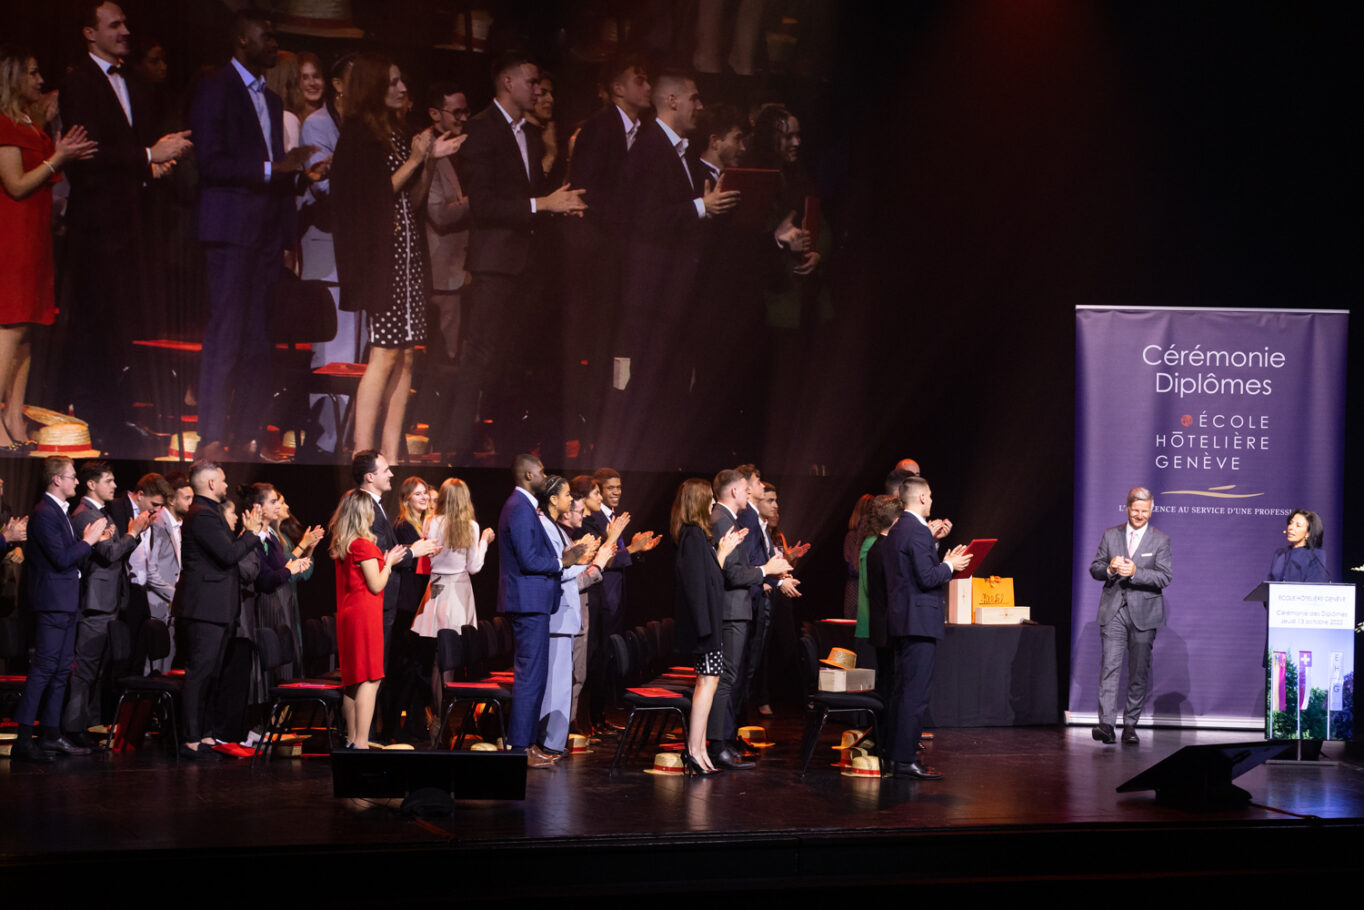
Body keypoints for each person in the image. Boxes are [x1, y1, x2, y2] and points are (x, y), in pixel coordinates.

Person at [441, 51, 586, 459]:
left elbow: (533, 196)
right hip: (495, 264)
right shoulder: (481, 130)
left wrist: (559, 206)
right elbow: (485, 205)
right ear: (508, 82)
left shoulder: (530, 134)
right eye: (532, 81)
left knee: (512, 361)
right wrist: (543, 204)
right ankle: (455, 451)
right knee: (479, 359)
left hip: (528, 268)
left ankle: (505, 451)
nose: (539, 89)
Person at [190, 7, 319, 458]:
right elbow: (209, 162)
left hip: (265, 238)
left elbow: (278, 172)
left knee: (260, 341)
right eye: (267, 35)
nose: (273, 42)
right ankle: (210, 435)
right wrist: (272, 167)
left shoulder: (272, 99)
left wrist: (300, 178)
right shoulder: (216, 89)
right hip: (229, 233)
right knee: (226, 335)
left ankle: (246, 433)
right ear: (242, 39)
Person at [332, 53, 461, 457]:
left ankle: (391, 451)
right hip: (382, 261)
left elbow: (413, 200)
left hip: (408, 256)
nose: (403, 89)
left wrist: (427, 163)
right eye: (392, 82)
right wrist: (415, 159)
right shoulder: (358, 136)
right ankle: (362, 451)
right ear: (373, 87)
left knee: (407, 355)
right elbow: (372, 199)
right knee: (385, 351)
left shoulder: (396, 133)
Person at [0, 47, 97, 450]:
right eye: (34, 73)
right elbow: (16, 184)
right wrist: (58, 158)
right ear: (13, 78)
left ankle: (13, 420)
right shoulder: (5, 124)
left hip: (36, 237)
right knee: (9, 329)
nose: (41, 81)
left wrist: (61, 153)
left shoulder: (28, 121)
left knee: (27, 336)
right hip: (13, 238)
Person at [10, 457, 107, 763]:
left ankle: (52, 736)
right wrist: (88, 541)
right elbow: (62, 559)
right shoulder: (44, 513)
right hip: (51, 603)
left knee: (62, 670)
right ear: (56, 480)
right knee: (43, 669)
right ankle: (24, 740)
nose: (76, 482)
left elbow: (68, 558)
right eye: (72, 477)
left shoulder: (58, 512)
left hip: (65, 602)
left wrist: (88, 543)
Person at [498, 454, 589, 768]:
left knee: (535, 677)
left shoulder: (523, 507)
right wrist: (563, 562)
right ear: (527, 474)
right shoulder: (519, 508)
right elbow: (528, 559)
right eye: (541, 471)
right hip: (527, 602)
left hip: (533, 601)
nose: (544, 474)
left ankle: (525, 745)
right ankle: (518, 748)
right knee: (529, 678)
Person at [62, 461, 158, 746]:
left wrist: (132, 534)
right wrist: (133, 533)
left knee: (98, 671)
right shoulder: (84, 515)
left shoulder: (100, 513)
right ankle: (74, 730)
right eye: (109, 481)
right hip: (95, 604)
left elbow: (115, 551)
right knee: (86, 671)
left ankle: (90, 726)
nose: (115, 486)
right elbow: (108, 553)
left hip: (108, 602)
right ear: (91, 484)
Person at [175, 461, 265, 761]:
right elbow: (228, 556)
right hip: (204, 608)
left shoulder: (210, 514)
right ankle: (189, 738)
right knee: (199, 674)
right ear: (211, 483)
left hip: (218, 608)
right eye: (223, 481)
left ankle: (204, 733)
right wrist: (251, 534)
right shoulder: (202, 516)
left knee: (212, 674)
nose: (227, 486)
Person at [884, 475, 971, 779]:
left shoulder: (898, 529)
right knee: (915, 693)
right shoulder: (916, 531)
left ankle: (895, 754)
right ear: (921, 498)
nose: (932, 501)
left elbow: (912, 568)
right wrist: (949, 566)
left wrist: (937, 551)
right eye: (930, 496)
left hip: (903, 619)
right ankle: (905, 758)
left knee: (903, 690)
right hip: (919, 621)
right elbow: (927, 578)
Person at [707, 468, 789, 769]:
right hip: (730, 610)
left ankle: (724, 740)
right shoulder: (723, 520)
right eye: (744, 489)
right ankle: (718, 745)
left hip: (737, 609)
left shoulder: (727, 519)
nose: (747, 494)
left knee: (730, 677)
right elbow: (731, 572)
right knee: (727, 678)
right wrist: (766, 570)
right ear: (733, 492)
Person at [672, 477, 745, 775]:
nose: (714, 503)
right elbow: (694, 587)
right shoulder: (692, 536)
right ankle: (694, 750)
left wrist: (723, 553)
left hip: (709, 625)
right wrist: (705, 629)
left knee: (711, 681)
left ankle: (699, 748)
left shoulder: (699, 536)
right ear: (698, 502)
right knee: (706, 682)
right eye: (709, 499)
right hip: (705, 627)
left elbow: (710, 578)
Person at [1088, 486, 1171, 746]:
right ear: (1127, 508)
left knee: (1138, 671)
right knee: (1110, 667)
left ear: (1151, 510)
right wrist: (1110, 568)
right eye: (1135, 510)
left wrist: (1135, 571)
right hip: (1113, 609)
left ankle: (1130, 725)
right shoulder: (1111, 535)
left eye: (1144, 511)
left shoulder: (1160, 540)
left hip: (1144, 613)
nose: (1139, 515)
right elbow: (1095, 568)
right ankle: (1106, 725)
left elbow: (1165, 576)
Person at [411, 477, 493, 733]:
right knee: (451, 658)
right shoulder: (470, 526)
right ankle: (444, 719)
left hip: (436, 588)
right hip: (457, 589)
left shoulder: (430, 521)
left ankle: (439, 718)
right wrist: (484, 544)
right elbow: (474, 566)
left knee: (439, 657)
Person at [536, 475, 610, 756]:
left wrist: (586, 561)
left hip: (566, 619)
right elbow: (560, 574)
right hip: (558, 618)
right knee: (556, 687)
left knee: (564, 685)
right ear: (555, 501)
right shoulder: (547, 527)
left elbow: (565, 570)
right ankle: (548, 743)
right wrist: (594, 565)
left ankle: (554, 742)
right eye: (568, 496)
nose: (572, 501)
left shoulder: (559, 532)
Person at [329, 489, 407, 749]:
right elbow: (376, 584)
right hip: (364, 616)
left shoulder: (345, 543)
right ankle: (361, 741)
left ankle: (352, 738)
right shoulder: (364, 545)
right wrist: (389, 563)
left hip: (349, 616)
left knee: (353, 680)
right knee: (371, 679)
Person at [145, 471, 193, 673]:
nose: (191, 503)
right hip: (157, 604)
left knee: (167, 663)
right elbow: (150, 570)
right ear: (172, 500)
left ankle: (161, 704)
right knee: (151, 665)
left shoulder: (181, 525)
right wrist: (175, 594)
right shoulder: (157, 523)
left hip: (172, 608)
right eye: (187, 498)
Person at [1268, 510, 1329, 583]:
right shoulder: (1280, 553)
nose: (1291, 527)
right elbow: (1270, 583)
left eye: (1298, 525)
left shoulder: (1316, 554)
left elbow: (1315, 584)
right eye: (1291, 523)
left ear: (1308, 533)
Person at [297, 52, 324, 122]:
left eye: (316, 76)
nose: (312, 83)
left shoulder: (334, 116)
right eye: (305, 78)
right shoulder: (289, 119)